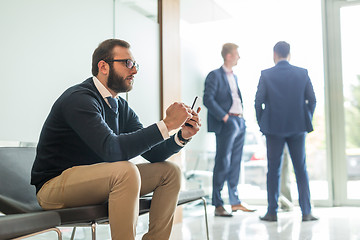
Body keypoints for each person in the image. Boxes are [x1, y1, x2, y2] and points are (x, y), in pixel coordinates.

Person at [31, 39, 201, 240]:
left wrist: (181, 136)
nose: (135, 71)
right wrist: (167, 124)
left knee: (170, 172)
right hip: (54, 188)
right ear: (103, 66)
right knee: (125, 171)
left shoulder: (119, 105)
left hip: (99, 182)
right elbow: (111, 150)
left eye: (135, 65)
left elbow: (153, 153)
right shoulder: (79, 99)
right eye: (128, 64)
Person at [254, 41, 318, 222]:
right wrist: (305, 119)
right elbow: (312, 100)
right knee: (301, 169)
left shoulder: (266, 74)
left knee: (273, 170)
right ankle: (306, 212)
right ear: (289, 54)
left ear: (274, 54)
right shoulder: (302, 73)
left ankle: (272, 212)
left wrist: (262, 124)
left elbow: (258, 103)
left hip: (273, 129)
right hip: (298, 128)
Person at [203, 43, 255, 217]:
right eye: (237, 54)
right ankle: (218, 204)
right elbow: (207, 99)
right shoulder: (215, 75)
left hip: (239, 122)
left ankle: (235, 202)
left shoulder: (235, 76)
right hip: (227, 122)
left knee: (235, 163)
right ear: (228, 56)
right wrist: (225, 118)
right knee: (223, 162)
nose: (239, 57)